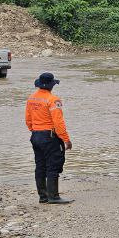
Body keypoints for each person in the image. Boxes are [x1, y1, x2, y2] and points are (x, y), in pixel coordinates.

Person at [25, 72, 73, 205]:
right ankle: (53, 196)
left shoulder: (31, 99)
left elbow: (28, 120)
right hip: (50, 136)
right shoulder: (53, 100)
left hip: (35, 135)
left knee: (40, 166)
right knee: (53, 165)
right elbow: (58, 123)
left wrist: (36, 132)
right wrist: (66, 139)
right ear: (52, 85)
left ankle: (43, 196)